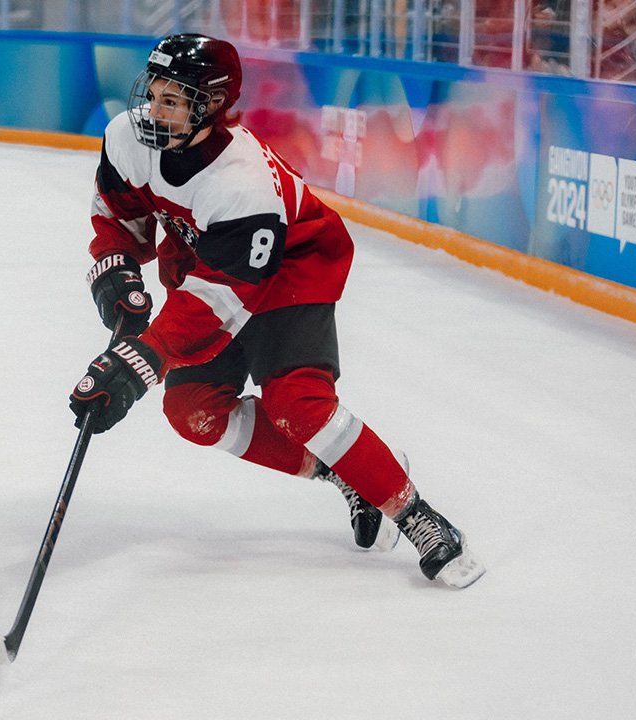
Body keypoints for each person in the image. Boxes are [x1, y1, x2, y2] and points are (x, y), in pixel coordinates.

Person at [68, 34, 485, 589]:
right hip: (213, 267)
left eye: (172, 100)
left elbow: (221, 300)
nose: (153, 110)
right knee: (193, 411)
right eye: (153, 93)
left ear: (212, 105)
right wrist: (116, 266)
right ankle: (345, 474)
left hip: (290, 272)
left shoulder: (242, 184)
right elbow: (119, 216)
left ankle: (415, 515)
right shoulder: (128, 137)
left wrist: (142, 358)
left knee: (299, 406)